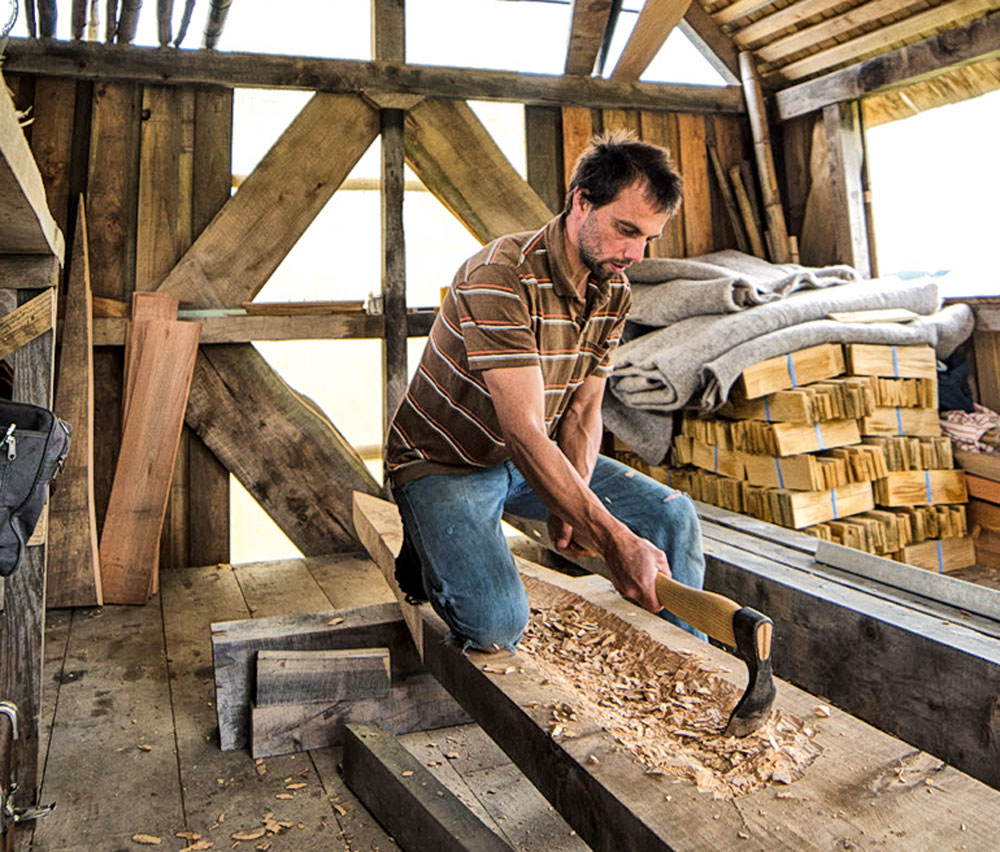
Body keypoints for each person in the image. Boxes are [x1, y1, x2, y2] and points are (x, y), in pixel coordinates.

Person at [384, 132, 706, 651]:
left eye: (648, 238)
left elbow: (582, 414)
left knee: (672, 515)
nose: (636, 254)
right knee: (496, 624)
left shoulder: (614, 289)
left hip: (533, 457)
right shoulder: (499, 277)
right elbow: (524, 432)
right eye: (626, 230)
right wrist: (611, 538)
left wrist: (572, 501)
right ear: (581, 201)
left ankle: (684, 666)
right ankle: (427, 551)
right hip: (448, 463)